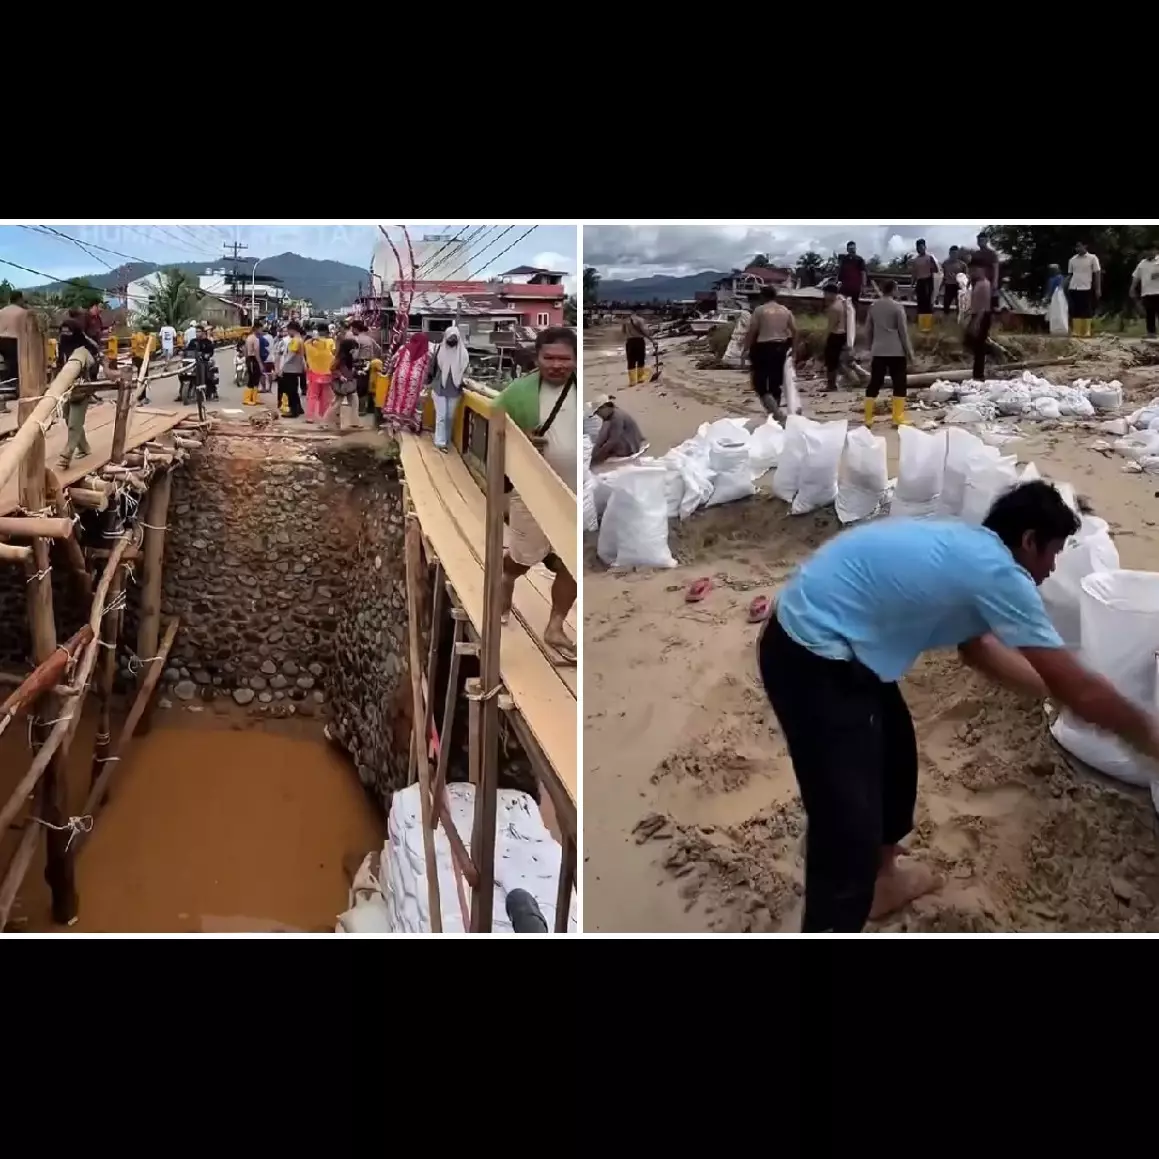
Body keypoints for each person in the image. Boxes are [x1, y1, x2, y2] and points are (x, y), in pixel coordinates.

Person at [760, 480, 1159, 933]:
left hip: (845, 643)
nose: (1052, 567)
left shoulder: (971, 548)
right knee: (845, 828)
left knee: (895, 760)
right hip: (809, 654)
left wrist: (1057, 694)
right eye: (1054, 551)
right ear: (1029, 541)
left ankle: (884, 880)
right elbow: (1082, 690)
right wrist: (1146, 733)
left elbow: (979, 651)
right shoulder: (1001, 574)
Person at [492, 326, 578, 664]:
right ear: (537, 358)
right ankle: (507, 576)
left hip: (575, 493)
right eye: (550, 358)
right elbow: (494, 431)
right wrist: (521, 437)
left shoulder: (583, 389)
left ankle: (555, 625)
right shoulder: (517, 394)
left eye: (565, 358)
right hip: (532, 490)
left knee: (571, 564)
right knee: (523, 559)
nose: (557, 365)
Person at [863, 279, 912, 427]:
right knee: (899, 383)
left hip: (878, 350)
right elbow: (903, 332)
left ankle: (868, 418)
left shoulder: (873, 306)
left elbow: (868, 330)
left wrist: (870, 347)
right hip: (896, 350)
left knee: (875, 382)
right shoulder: (897, 307)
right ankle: (897, 418)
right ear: (894, 289)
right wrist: (910, 352)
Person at [742, 286, 796, 417]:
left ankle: (776, 413)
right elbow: (795, 331)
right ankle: (774, 413)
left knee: (759, 383)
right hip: (781, 348)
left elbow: (753, 331)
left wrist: (745, 348)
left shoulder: (760, 310)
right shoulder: (785, 310)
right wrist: (794, 349)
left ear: (763, 296)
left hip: (763, 348)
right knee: (775, 383)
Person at [56, 319, 98, 470]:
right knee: (68, 419)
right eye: (63, 331)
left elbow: (94, 361)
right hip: (67, 389)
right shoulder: (61, 347)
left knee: (74, 422)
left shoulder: (84, 349)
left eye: (69, 332)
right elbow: (58, 364)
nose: (65, 334)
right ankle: (85, 447)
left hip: (82, 389)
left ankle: (67, 454)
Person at [382, 331, 431, 432]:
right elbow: (426, 370)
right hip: (415, 380)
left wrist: (389, 372)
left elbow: (393, 359)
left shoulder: (403, 348)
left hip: (400, 376)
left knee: (397, 398)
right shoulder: (426, 353)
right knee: (412, 401)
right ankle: (413, 424)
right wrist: (423, 382)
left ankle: (396, 423)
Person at [430, 324, 468, 451]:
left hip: (455, 390)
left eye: (454, 339)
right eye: (449, 338)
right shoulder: (440, 351)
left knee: (450, 416)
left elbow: (466, 372)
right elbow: (432, 368)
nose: (451, 342)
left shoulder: (463, 354)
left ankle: (446, 439)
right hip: (439, 388)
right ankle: (440, 442)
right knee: (441, 416)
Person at [589, 394, 644, 465]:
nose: (599, 415)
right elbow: (602, 436)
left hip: (632, 446)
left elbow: (613, 440)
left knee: (607, 448)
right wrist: (595, 451)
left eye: (598, 412)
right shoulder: (610, 416)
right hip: (627, 441)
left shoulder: (617, 417)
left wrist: (598, 457)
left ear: (605, 407)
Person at [1066, 240, 1101, 338]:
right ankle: (1077, 331)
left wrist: (1098, 288)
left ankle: (1086, 331)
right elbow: (1070, 274)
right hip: (1074, 286)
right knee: (1075, 309)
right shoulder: (1072, 260)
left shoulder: (1092, 258)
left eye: (1080, 246)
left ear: (1085, 246)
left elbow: (1097, 273)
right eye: (1076, 247)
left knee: (1086, 308)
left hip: (1086, 286)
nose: (1078, 249)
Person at [964, 259, 993, 381]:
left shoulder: (984, 285)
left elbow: (984, 305)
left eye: (974, 270)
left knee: (979, 345)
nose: (972, 273)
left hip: (982, 316)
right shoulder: (977, 284)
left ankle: (979, 374)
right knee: (974, 343)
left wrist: (976, 321)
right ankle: (977, 372)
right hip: (976, 314)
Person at [322, 337, 359, 430]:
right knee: (337, 403)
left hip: (348, 383)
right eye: (353, 348)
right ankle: (325, 421)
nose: (354, 350)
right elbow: (332, 369)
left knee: (354, 402)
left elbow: (349, 371)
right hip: (342, 384)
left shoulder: (348, 358)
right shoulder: (341, 358)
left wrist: (357, 373)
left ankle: (355, 422)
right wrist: (340, 376)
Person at [304, 323, 336, 422]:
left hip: (314, 374)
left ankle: (310, 416)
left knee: (312, 396)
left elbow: (306, 345)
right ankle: (323, 415)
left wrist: (312, 340)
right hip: (327, 375)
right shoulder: (330, 345)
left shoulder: (313, 347)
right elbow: (334, 356)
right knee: (325, 396)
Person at [821, 283, 850, 392]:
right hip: (842, 334)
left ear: (831, 294)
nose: (824, 296)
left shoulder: (834, 308)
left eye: (826, 294)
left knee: (831, 361)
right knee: (837, 360)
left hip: (835, 335)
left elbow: (831, 325)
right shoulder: (841, 302)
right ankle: (838, 381)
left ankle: (831, 385)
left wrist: (825, 337)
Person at [350, 319, 381, 416]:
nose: (351, 331)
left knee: (360, 387)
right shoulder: (369, 339)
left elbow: (355, 354)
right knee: (370, 385)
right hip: (370, 363)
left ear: (355, 329)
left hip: (360, 364)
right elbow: (379, 349)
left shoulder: (357, 339)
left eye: (352, 329)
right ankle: (370, 408)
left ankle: (361, 409)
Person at [277, 320, 306, 417]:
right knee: (294, 389)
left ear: (292, 330)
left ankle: (293, 411)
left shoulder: (295, 340)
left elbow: (290, 355)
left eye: (288, 330)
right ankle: (298, 408)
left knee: (290, 390)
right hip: (296, 368)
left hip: (290, 368)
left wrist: (282, 367)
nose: (288, 333)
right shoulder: (300, 339)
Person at [0, 290, 27, 387]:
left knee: (8, 361)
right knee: (16, 363)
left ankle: (6, 380)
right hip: (13, 340)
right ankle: (13, 384)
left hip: (1, 339)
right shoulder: (23, 313)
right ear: (19, 299)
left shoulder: (2, 311)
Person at [911, 239, 940, 333]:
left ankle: (928, 326)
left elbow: (936, 270)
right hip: (919, 282)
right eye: (918, 247)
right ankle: (922, 325)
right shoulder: (915, 260)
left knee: (928, 304)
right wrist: (912, 285)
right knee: (920, 304)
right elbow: (914, 273)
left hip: (928, 281)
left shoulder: (930, 257)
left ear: (925, 247)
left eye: (921, 247)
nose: (920, 249)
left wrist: (932, 265)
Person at [1132, 245, 1159, 339]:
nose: (1149, 253)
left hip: (1158, 291)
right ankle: (1151, 332)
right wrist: (1132, 288)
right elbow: (1136, 276)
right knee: (1149, 313)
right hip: (1147, 292)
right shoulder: (1142, 263)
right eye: (1147, 251)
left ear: (1156, 251)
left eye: (1151, 250)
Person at [837, 241, 868, 322]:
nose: (852, 250)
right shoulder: (844, 260)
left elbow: (863, 273)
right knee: (843, 303)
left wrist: (863, 286)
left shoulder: (859, 260)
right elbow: (841, 272)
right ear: (847, 249)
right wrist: (838, 282)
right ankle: (844, 321)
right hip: (845, 286)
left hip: (855, 286)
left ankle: (854, 321)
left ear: (855, 249)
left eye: (853, 248)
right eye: (850, 248)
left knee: (854, 304)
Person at [622, 311, 651, 387]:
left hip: (630, 341)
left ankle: (632, 381)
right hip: (639, 341)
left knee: (631, 360)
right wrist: (652, 339)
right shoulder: (640, 320)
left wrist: (630, 334)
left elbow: (623, 332)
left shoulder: (626, 320)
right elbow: (644, 331)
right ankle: (640, 378)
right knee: (640, 359)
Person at [974, 232, 1001, 313]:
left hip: (989, 282)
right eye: (979, 240)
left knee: (990, 306)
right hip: (978, 283)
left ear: (986, 241)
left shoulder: (991, 253)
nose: (980, 242)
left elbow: (996, 267)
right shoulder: (976, 254)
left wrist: (995, 282)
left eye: (982, 240)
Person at [242, 322, 264, 406]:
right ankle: (247, 398)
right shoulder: (255, 339)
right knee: (253, 379)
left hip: (250, 359)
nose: (262, 331)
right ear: (257, 329)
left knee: (255, 379)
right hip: (253, 359)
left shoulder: (249, 338)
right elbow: (256, 352)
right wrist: (260, 364)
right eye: (261, 329)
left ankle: (254, 398)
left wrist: (246, 359)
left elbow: (245, 350)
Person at [941, 246, 966, 314]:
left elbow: (965, 277)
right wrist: (941, 286)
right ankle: (946, 319)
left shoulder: (962, 264)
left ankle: (959, 320)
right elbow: (943, 275)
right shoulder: (945, 263)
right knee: (946, 304)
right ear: (949, 253)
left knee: (959, 304)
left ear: (958, 254)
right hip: (948, 285)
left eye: (955, 253)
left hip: (958, 286)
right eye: (952, 253)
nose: (954, 255)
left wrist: (957, 277)